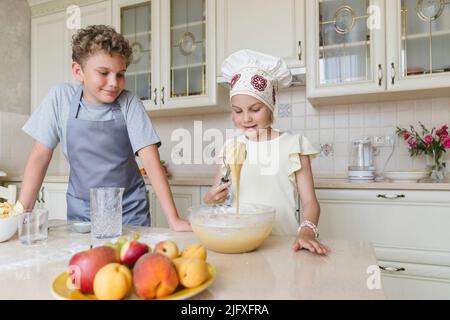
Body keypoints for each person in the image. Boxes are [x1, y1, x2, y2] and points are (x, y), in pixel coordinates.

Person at [15, 25, 190, 231]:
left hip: (129, 211)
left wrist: (174, 219)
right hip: (82, 212)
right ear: (78, 71)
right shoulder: (60, 98)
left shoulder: (129, 103)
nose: (114, 83)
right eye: (104, 73)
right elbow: (40, 157)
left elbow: (151, 161)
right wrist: (21, 218)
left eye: (120, 74)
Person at [204, 50, 329, 254]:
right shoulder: (230, 148)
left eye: (255, 109)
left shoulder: (293, 146)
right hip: (241, 243)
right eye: (238, 111)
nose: (246, 119)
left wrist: (307, 232)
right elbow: (212, 195)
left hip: (283, 245)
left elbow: (310, 203)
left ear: (271, 108)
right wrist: (211, 198)